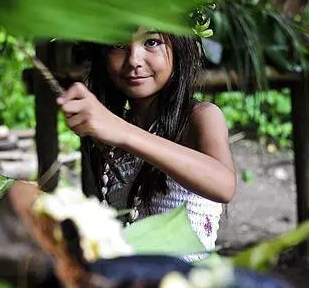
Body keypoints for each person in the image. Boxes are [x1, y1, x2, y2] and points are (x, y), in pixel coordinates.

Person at [56, 27, 236, 254]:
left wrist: (122, 132)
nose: (134, 60)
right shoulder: (106, 129)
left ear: (181, 48)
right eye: (118, 45)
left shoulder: (200, 117)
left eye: (152, 42)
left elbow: (224, 185)